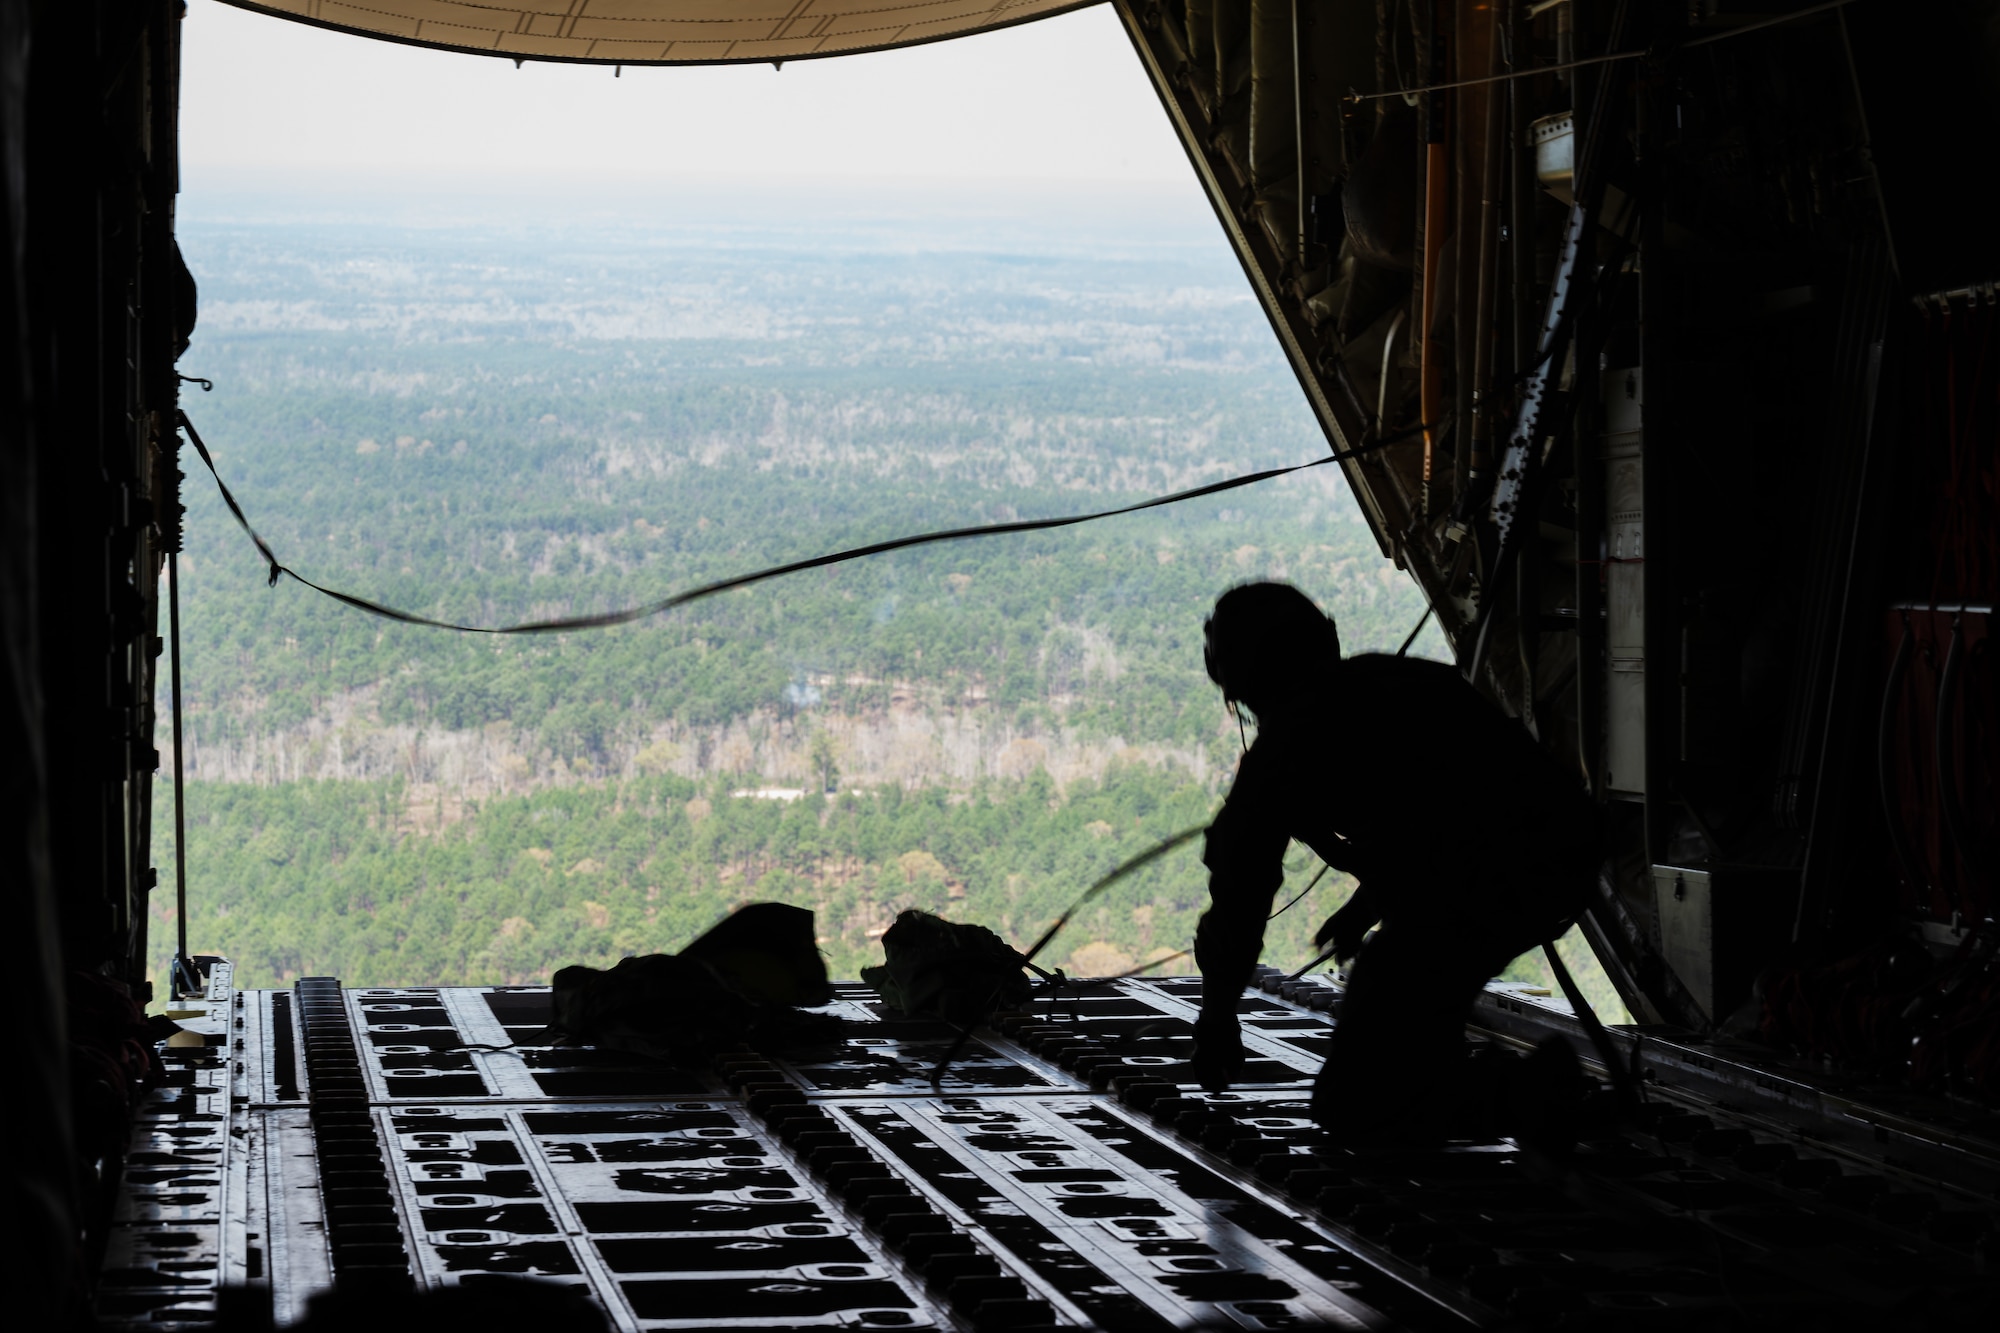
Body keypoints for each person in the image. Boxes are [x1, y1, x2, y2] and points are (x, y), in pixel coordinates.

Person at [1188, 581, 1600, 1143]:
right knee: (1408, 998)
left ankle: (1529, 1092)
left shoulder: (1286, 751)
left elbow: (1241, 890)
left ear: (1239, 681)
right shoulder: (1402, 682)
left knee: (1355, 1105)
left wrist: (1216, 1017)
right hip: (1552, 860)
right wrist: (1373, 902)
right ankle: (1489, 1083)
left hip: (1479, 884)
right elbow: (1446, 811)